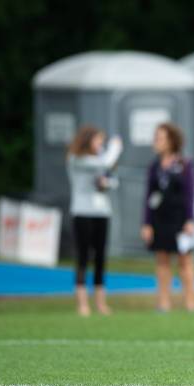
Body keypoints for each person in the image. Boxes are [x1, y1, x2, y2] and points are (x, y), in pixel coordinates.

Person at [141, 123, 194, 312]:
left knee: (185, 261)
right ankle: (164, 303)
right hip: (160, 219)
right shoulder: (154, 166)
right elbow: (149, 196)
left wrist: (190, 220)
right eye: (155, 137)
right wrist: (147, 223)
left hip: (180, 219)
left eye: (160, 138)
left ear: (171, 141)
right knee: (162, 261)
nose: (156, 141)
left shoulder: (184, 164)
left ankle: (190, 303)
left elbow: (190, 194)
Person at [67, 126, 123, 316]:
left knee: (100, 258)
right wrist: (115, 147)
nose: (101, 144)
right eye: (98, 141)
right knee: (83, 257)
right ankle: (82, 304)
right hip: (82, 212)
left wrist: (105, 183)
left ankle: (100, 303)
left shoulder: (98, 160)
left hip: (101, 212)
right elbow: (105, 162)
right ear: (87, 140)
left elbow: (113, 180)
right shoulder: (76, 158)